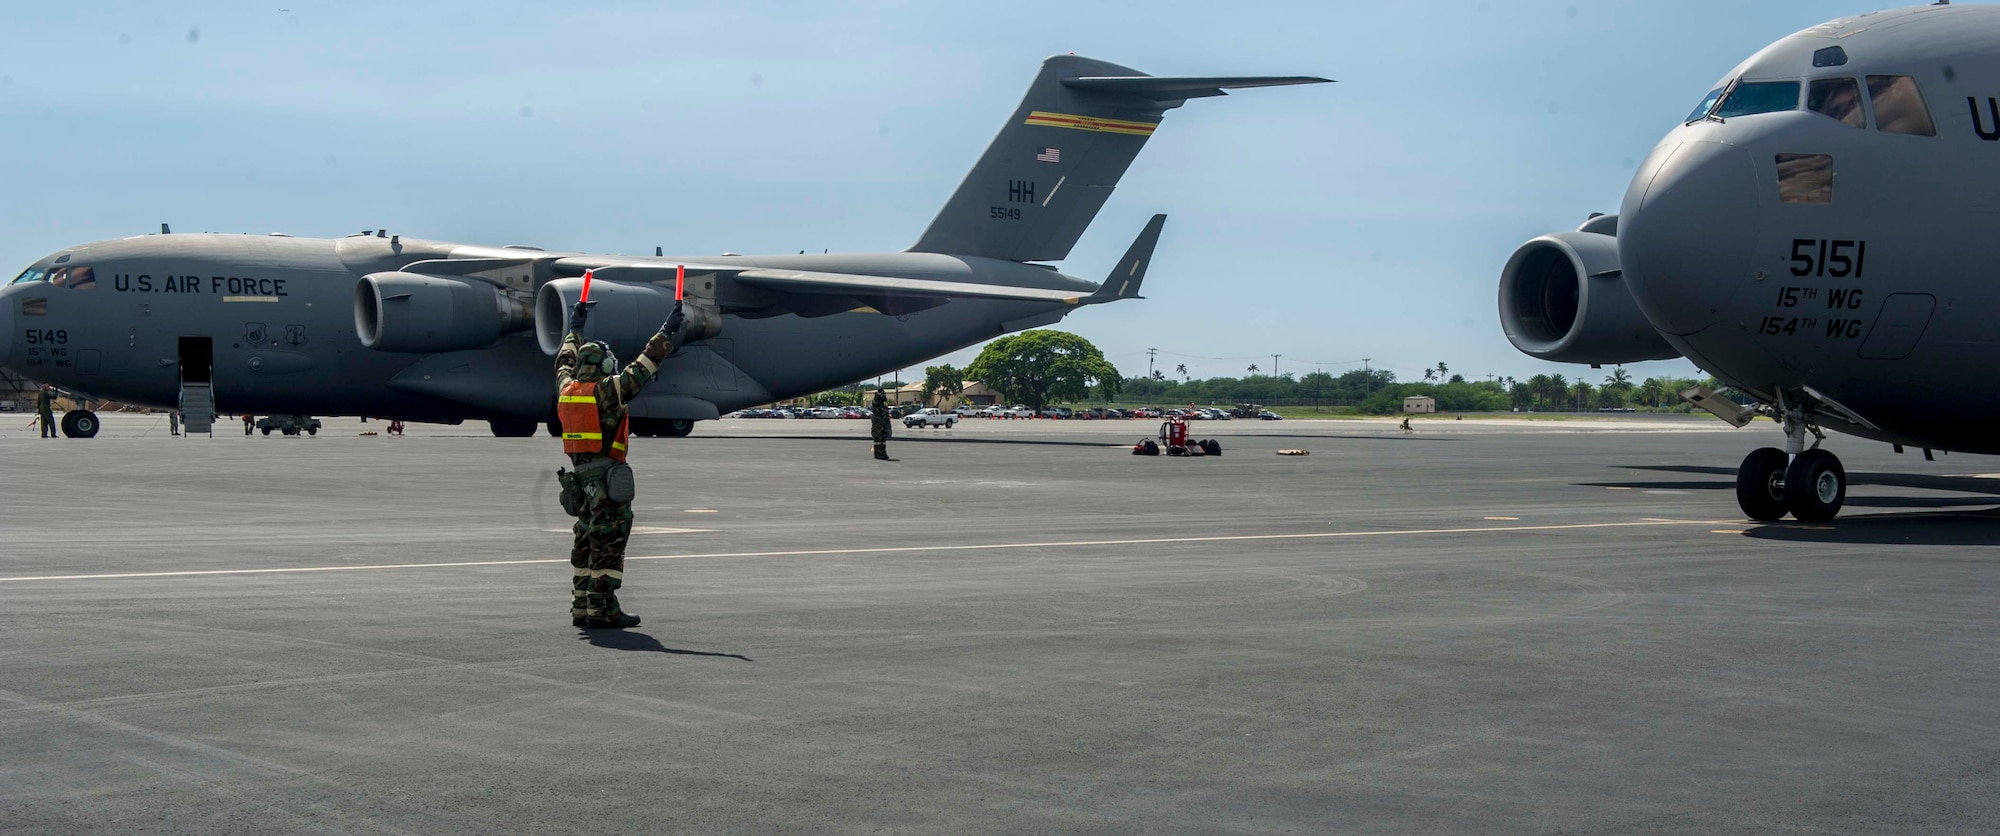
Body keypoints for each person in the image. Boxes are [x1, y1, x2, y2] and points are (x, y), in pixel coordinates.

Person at [556, 297, 683, 629]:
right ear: (603, 367)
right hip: (607, 484)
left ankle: (582, 604)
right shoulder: (605, 392)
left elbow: (563, 360)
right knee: (608, 545)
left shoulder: (567, 389)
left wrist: (574, 329)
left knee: (584, 540)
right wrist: (666, 332)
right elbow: (641, 369)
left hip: (581, 484)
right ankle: (603, 607)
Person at [871, 388, 891, 460]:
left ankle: (883, 453)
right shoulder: (876, 402)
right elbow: (875, 402)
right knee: (878, 440)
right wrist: (878, 395)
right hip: (878, 425)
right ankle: (878, 454)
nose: (884, 395)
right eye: (882, 394)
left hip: (884, 424)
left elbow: (886, 414)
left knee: (883, 440)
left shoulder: (884, 404)